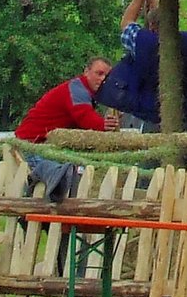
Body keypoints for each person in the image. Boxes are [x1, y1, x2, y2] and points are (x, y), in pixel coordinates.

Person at [98, 0, 187, 132]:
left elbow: (126, 22)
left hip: (156, 117)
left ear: (152, 26)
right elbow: (163, 22)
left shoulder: (144, 42)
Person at [15, 56, 117, 199]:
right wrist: (103, 124)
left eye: (107, 76)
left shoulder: (82, 90)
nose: (103, 79)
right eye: (99, 73)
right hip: (32, 143)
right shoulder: (78, 91)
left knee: (64, 174)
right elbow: (85, 118)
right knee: (58, 174)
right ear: (86, 72)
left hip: (41, 143)